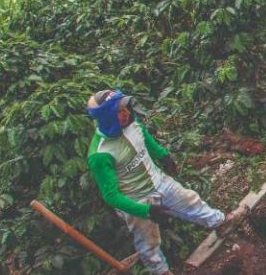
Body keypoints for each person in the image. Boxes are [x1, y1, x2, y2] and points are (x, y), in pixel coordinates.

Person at [86, 90, 242, 275]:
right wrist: (146, 210)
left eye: (125, 108)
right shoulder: (100, 154)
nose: (126, 113)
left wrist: (162, 154)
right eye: (119, 111)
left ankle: (220, 223)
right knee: (148, 242)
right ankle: (161, 271)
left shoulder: (131, 123)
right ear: (107, 117)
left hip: (157, 180)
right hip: (135, 199)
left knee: (189, 200)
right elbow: (111, 196)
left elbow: (144, 137)